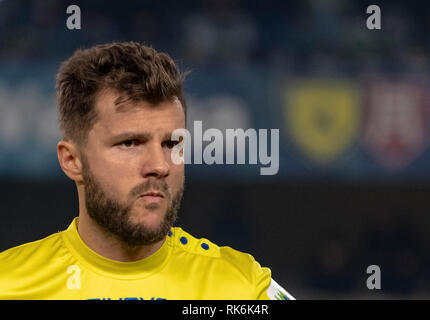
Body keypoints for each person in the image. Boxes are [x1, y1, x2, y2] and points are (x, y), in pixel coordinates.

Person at [0, 42, 294, 300]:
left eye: (171, 143)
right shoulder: (9, 284)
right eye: (130, 143)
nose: (159, 165)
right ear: (72, 160)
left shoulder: (242, 286)